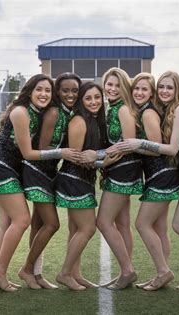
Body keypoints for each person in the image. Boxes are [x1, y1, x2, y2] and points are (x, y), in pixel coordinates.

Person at [108, 70, 179, 291]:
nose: (164, 91)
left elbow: (170, 148)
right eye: (162, 87)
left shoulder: (178, 109)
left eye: (169, 87)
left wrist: (136, 143)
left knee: (173, 224)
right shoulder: (163, 110)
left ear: (177, 90)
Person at [0, 74, 80, 292]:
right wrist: (63, 152)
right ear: (29, 91)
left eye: (47, 91)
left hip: (12, 168)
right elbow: (29, 153)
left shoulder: (40, 112)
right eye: (39, 89)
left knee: (5, 224)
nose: (43, 94)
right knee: (21, 220)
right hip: (1, 167)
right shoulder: (21, 112)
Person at [55, 82, 121, 290]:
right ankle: (65, 273)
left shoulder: (94, 120)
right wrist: (105, 162)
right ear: (82, 101)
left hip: (83, 180)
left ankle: (76, 274)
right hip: (73, 180)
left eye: (97, 97)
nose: (94, 102)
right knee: (87, 228)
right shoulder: (79, 120)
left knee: (76, 229)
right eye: (88, 98)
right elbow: (76, 157)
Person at [82, 67, 142, 290]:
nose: (113, 88)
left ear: (124, 87)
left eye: (118, 85)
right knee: (122, 223)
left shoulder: (124, 109)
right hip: (116, 167)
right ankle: (125, 272)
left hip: (124, 168)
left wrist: (97, 156)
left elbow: (128, 143)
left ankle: (127, 270)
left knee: (103, 221)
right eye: (109, 84)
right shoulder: (110, 108)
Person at [20, 73, 81, 289]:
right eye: (65, 90)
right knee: (52, 224)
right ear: (57, 92)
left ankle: (36, 275)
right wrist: (62, 152)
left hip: (48, 172)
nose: (70, 94)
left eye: (74, 90)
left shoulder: (70, 112)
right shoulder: (54, 112)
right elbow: (43, 148)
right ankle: (26, 269)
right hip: (36, 171)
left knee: (38, 225)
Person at [129, 73, 179, 290]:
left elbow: (156, 147)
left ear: (151, 93)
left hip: (161, 175)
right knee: (159, 228)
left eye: (144, 89)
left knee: (142, 224)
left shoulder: (148, 112)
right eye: (136, 89)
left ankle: (163, 271)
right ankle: (162, 273)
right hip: (161, 175)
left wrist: (133, 145)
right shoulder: (147, 110)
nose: (139, 93)